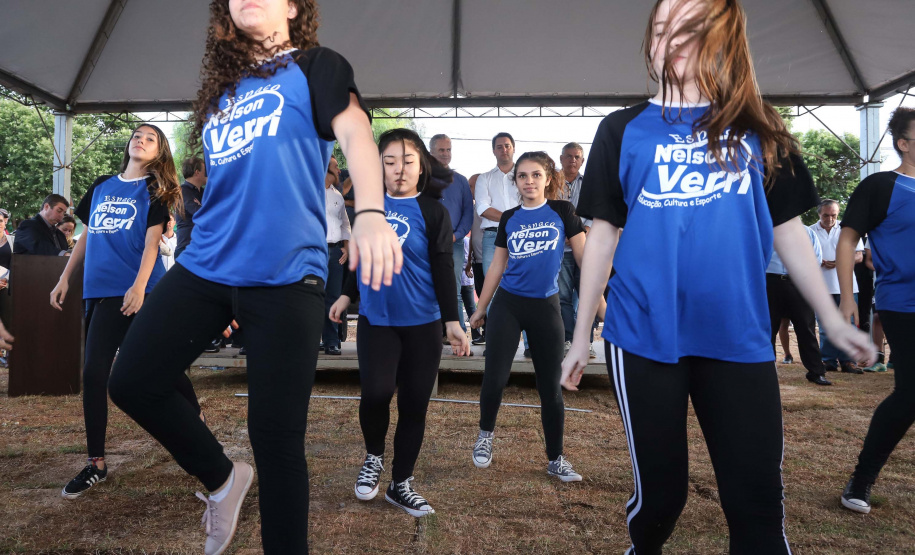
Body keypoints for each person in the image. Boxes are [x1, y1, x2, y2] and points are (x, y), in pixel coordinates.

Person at [561, 1, 874, 553]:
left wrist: (831, 318)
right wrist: (581, 335)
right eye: (662, 32)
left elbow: (789, 232)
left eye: (691, 32)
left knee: (755, 499)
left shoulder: (760, 127)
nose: (672, 44)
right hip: (644, 337)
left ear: (723, 40)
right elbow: (603, 236)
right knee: (662, 498)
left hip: (737, 337)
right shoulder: (621, 129)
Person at [104, 1, 402, 553]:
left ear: (293, 6)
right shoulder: (222, 93)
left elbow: (358, 134)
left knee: (276, 439)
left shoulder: (316, 65)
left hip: (288, 275)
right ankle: (222, 478)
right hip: (207, 265)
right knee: (130, 381)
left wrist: (370, 213)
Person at [50, 124, 202, 499]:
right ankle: (97, 463)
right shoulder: (102, 184)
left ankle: (192, 424)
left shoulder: (154, 189)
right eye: (137, 135)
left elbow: (153, 243)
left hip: (137, 289)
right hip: (99, 290)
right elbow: (86, 235)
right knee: (120, 367)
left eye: (150, 139)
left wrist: (138, 287)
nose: (141, 140)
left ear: (158, 152)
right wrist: (65, 277)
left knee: (130, 366)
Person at [330, 128, 469, 517]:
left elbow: (444, 266)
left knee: (414, 404)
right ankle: (373, 457)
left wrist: (451, 320)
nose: (399, 170)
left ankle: (400, 482)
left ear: (421, 166)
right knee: (375, 393)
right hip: (379, 320)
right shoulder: (369, 209)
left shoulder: (433, 211)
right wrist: (345, 294)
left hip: (423, 323)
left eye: (407, 162)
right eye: (389, 162)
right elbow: (357, 253)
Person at [469, 151, 596, 482]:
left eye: (536, 175)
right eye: (522, 176)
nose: (529, 181)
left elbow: (585, 261)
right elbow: (497, 265)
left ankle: (556, 458)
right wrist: (481, 308)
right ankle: (485, 437)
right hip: (508, 306)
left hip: (545, 307)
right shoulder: (509, 217)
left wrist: (605, 305)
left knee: (550, 387)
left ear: (548, 178)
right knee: (495, 377)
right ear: (516, 182)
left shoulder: (563, 211)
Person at [836, 106, 915, 514]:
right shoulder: (881, 187)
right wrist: (848, 296)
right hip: (903, 303)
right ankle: (862, 478)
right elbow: (848, 239)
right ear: (904, 144)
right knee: (910, 394)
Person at [766, 225, 832, 385]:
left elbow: (816, 258)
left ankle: (817, 372)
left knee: (806, 329)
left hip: (799, 282)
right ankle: (766, 373)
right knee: (768, 330)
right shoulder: (765, 228)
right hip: (770, 282)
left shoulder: (807, 232)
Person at [809, 199, 865, 374]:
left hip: (846, 286)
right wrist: (817, 262)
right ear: (819, 214)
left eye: (834, 215)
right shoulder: (810, 231)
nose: (830, 219)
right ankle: (828, 360)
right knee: (825, 326)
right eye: (826, 215)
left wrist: (840, 261)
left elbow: (859, 256)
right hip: (821, 287)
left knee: (847, 324)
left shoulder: (847, 229)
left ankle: (848, 361)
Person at [556, 142, 598, 358]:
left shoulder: (591, 183)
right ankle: (567, 340)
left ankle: (586, 343)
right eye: (569, 156)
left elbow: (595, 212)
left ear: (582, 161)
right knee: (562, 297)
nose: (573, 160)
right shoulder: (551, 182)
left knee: (587, 297)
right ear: (561, 159)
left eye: (577, 157)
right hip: (560, 250)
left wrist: (583, 233)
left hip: (586, 248)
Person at [430, 134, 474, 336]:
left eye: (448, 150)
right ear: (431, 152)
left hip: (453, 244)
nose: (446, 154)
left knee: (453, 289)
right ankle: (431, 332)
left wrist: (455, 236)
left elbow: (468, 214)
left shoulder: (461, 181)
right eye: (441, 150)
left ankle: (457, 333)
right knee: (427, 288)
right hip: (425, 243)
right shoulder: (421, 178)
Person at [323, 156, 351, 355]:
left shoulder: (337, 196)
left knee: (333, 297)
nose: (339, 170)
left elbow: (345, 223)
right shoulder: (308, 192)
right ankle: (313, 339)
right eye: (335, 167)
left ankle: (332, 341)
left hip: (335, 252)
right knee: (312, 297)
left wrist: (347, 248)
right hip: (313, 252)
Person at [174, 156, 207, 260]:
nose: (208, 174)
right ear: (197, 172)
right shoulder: (183, 191)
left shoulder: (203, 192)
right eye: (205, 171)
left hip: (201, 247)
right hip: (186, 249)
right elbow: (201, 214)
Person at [468, 173, 485, 344]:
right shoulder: (472, 208)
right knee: (480, 294)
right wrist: (468, 260)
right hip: (477, 260)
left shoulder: (488, 208)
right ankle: (485, 332)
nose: (470, 190)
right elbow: (473, 234)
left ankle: (489, 332)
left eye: (472, 186)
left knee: (490, 296)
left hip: (492, 260)